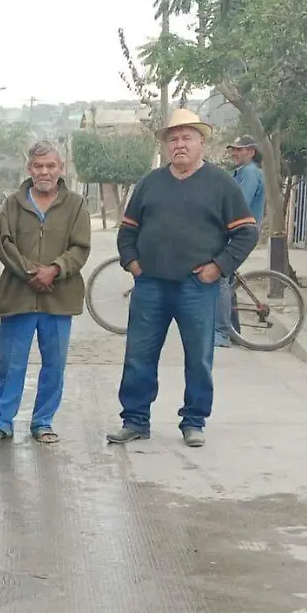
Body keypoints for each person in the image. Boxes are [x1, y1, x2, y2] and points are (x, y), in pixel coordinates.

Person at [110, 109, 259, 448]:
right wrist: (132, 263)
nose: (179, 144)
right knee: (139, 355)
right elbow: (127, 231)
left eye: (187, 137)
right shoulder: (150, 184)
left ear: (201, 142)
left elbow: (246, 233)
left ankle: (194, 421)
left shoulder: (221, 183)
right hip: (151, 285)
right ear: (166, 146)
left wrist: (218, 267)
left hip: (197, 287)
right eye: (173, 139)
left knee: (199, 356)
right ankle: (134, 420)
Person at [0, 141, 91, 445]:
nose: (44, 172)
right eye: (39, 166)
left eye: (51, 166)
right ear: (30, 168)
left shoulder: (76, 204)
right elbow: (3, 244)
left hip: (60, 297)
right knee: (10, 363)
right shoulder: (13, 203)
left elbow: (80, 247)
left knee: (54, 364)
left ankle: (43, 422)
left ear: (61, 168)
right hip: (18, 295)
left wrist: (54, 269)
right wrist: (32, 272)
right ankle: (0, 422)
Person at [216, 135, 266, 347]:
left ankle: (221, 334)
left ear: (251, 152)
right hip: (235, 231)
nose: (234, 153)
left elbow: (238, 203)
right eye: (233, 149)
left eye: (240, 149)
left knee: (219, 275)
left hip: (242, 232)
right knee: (227, 279)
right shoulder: (239, 173)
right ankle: (234, 331)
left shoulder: (250, 173)